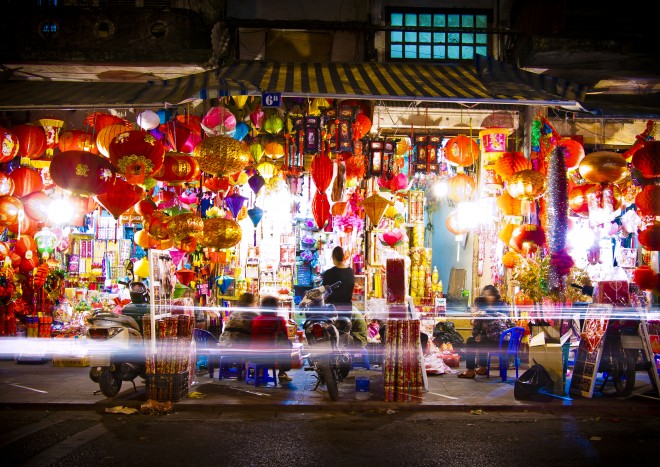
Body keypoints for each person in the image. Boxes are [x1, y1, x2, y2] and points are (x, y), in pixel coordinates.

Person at [457, 285, 512, 379]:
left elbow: (476, 330)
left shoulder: (484, 311)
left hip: (499, 342)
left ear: (495, 295)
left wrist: (475, 322)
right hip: (507, 342)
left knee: (471, 341)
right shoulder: (503, 306)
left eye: (490, 294)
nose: (488, 297)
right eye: (486, 295)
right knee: (481, 340)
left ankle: (470, 370)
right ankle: (483, 367)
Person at [250, 296, 293, 383]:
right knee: (287, 343)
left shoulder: (255, 319)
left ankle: (259, 371)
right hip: (271, 357)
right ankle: (282, 373)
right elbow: (285, 337)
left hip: (253, 355)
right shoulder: (279, 320)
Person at [321, 246, 355, 312]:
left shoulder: (329, 273)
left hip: (333, 309)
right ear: (343, 257)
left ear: (333, 257)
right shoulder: (350, 271)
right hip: (347, 308)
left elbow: (323, 292)